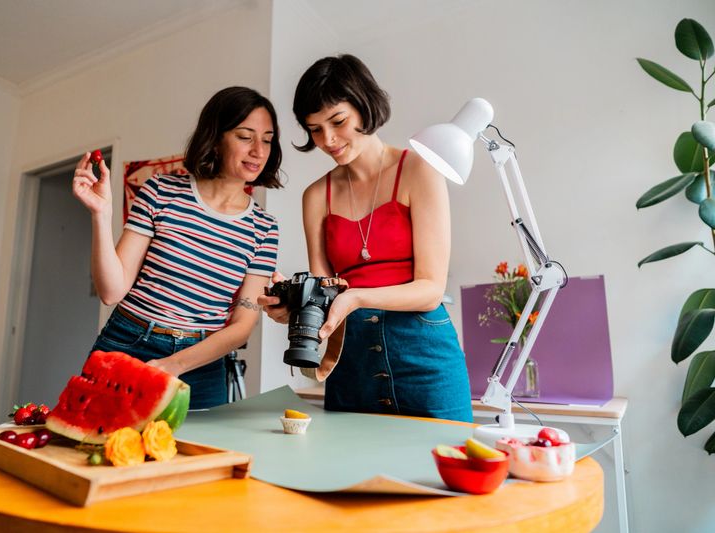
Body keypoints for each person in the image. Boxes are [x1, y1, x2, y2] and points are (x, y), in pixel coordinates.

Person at [260, 55, 472, 422]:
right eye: (314, 129)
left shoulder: (419, 170)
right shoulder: (315, 197)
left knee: (441, 471)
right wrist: (291, 309)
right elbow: (327, 292)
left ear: (364, 105)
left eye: (338, 121)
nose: (327, 140)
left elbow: (431, 289)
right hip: (351, 359)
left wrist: (357, 296)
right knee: (354, 477)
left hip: (424, 354)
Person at [72, 86, 282, 410]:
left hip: (202, 364)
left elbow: (242, 326)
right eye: (245, 136)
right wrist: (101, 215)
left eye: (267, 139)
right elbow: (111, 291)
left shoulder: (264, 228)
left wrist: (174, 365)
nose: (258, 150)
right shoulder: (160, 190)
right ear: (215, 136)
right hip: (129, 341)